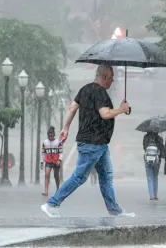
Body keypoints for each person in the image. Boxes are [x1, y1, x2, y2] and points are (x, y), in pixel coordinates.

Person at [41, 64, 135, 217]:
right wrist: (122, 109)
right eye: (111, 78)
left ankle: (114, 210)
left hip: (100, 145)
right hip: (93, 143)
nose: (112, 82)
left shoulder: (84, 89)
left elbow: (72, 108)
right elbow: (105, 114)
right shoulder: (100, 93)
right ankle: (51, 204)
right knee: (79, 177)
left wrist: (65, 128)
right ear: (104, 76)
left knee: (106, 177)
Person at [41, 127, 63, 196]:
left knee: (56, 176)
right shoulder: (45, 142)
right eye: (49, 136)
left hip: (56, 161)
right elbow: (43, 153)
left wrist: (59, 160)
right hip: (48, 161)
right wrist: (42, 162)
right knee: (46, 174)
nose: (50, 137)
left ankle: (57, 189)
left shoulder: (58, 142)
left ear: (54, 135)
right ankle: (46, 191)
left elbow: (61, 152)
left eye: (51, 136)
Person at [143, 131, 165, 201]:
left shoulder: (146, 137)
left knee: (149, 178)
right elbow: (162, 150)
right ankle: (155, 195)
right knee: (155, 177)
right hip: (157, 160)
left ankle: (151, 195)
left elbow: (144, 148)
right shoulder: (159, 138)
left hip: (148, 159)